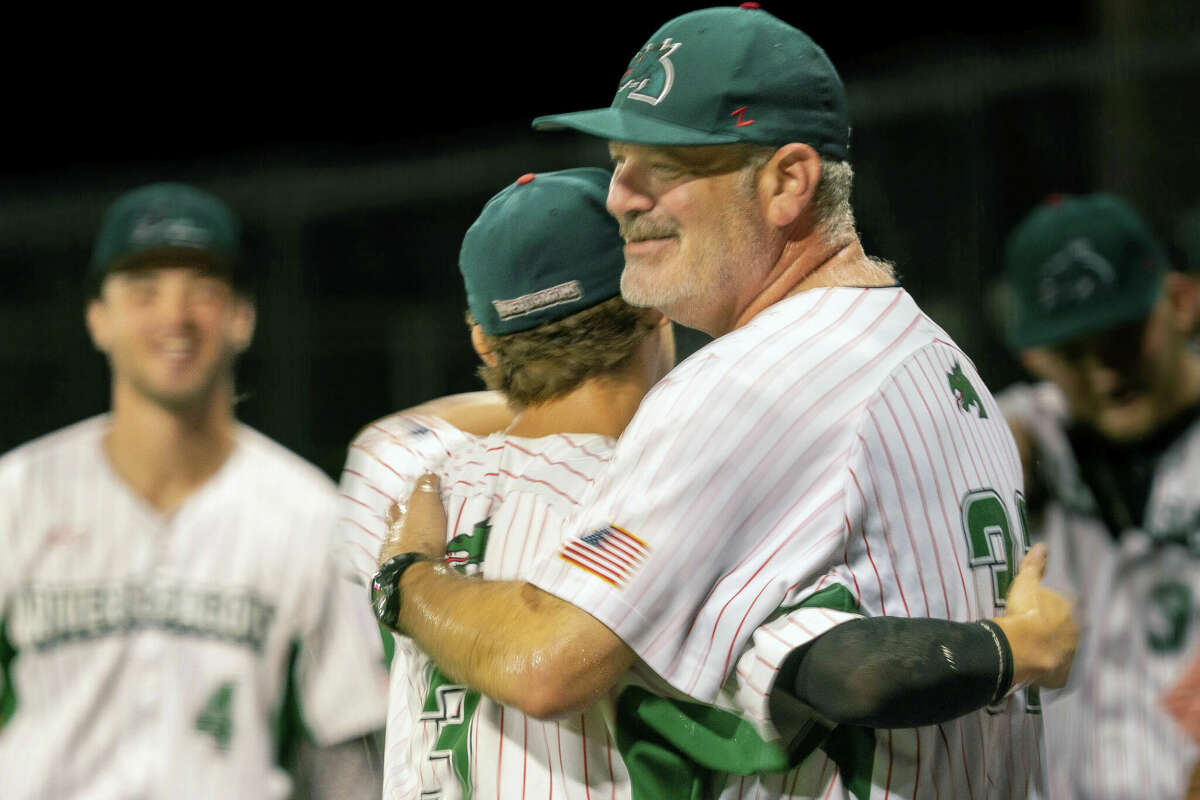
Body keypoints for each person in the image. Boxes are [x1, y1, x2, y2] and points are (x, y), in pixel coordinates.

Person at [373, 6, 1077, 799]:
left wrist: (408, 577)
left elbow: (547, 661)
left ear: (787, 182)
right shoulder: (935, 355)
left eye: (663, 167)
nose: (619, 197)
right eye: (618, 159)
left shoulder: (751, 382)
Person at [0, 183, 389, 799]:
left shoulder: (306, 511)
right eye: (143, 289)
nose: (174, 316)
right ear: (97, 317)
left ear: (243, 316)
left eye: (202, 289)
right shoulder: (18, 494)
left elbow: (344, 748)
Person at [339, 167, 683, 798]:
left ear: (484, 341)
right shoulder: (657, 500)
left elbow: (401, 430)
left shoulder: (409, 490)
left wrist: (535, 389)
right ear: (655, 301)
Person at [997, 192, 1200, 799]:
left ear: (1182, 302)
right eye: (1071, 351)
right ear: (1033, 353)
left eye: (1120, 337)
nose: (1104, 371)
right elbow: (987, 442)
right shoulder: (1032, 431)